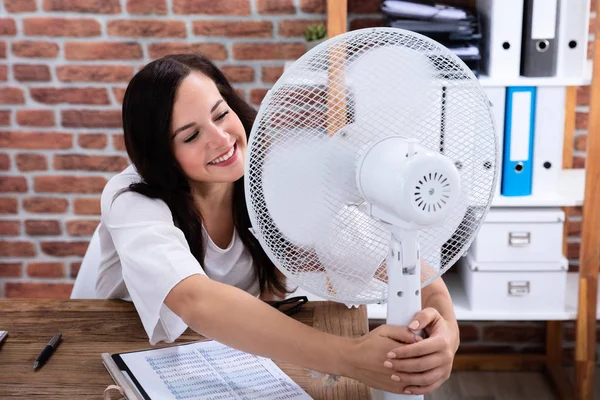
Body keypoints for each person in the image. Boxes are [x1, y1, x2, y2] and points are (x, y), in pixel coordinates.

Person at [96, 53, 460, 396]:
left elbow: (407, 268)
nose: (221, 139)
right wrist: (350, 357)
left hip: (226, 355)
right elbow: (195, 299)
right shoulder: (130, 200)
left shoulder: (274, 182)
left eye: (221, 115)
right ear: (160, 153)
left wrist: (445, 331)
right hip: (118, 349)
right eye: (191, 136)